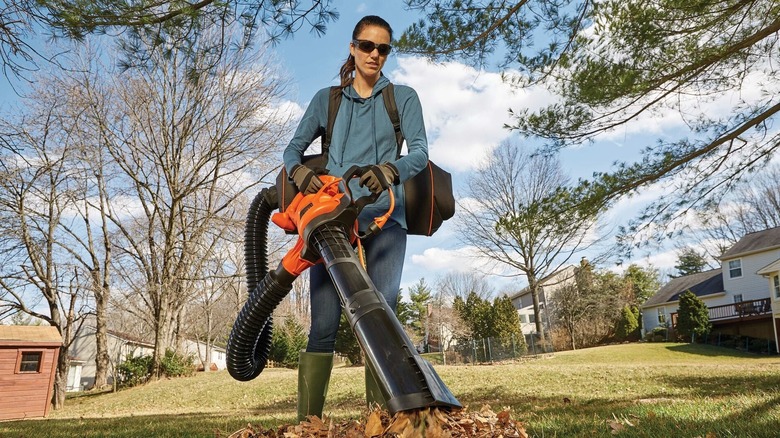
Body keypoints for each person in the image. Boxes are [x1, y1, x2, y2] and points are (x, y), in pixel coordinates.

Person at [282, 15, 429, 421]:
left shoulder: (402, 98)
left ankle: (380, 423)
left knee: (383, 317)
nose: (375, 55)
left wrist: (388, 171)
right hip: (332, 225)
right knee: (324, 324)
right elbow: (291, 150)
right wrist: (301, 173)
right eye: (367, 46)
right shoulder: (327, 100)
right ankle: (307, 425)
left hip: (385, 220)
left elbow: (419, 152)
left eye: (383, 49)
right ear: (352, 47)